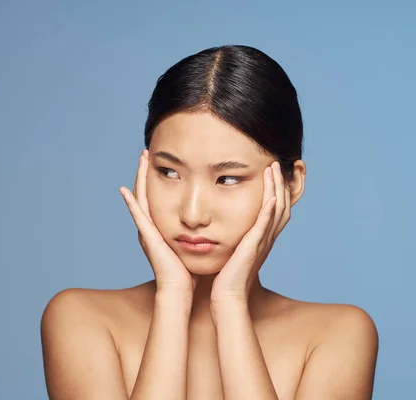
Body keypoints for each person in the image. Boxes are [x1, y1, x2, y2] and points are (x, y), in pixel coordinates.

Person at [40, 44, 378, 400]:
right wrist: (172, 297)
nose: (193, 214)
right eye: (168, 172)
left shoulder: (337, 336)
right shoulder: (81, 319)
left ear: (291, 184)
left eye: (228, 179)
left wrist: (231, 302)